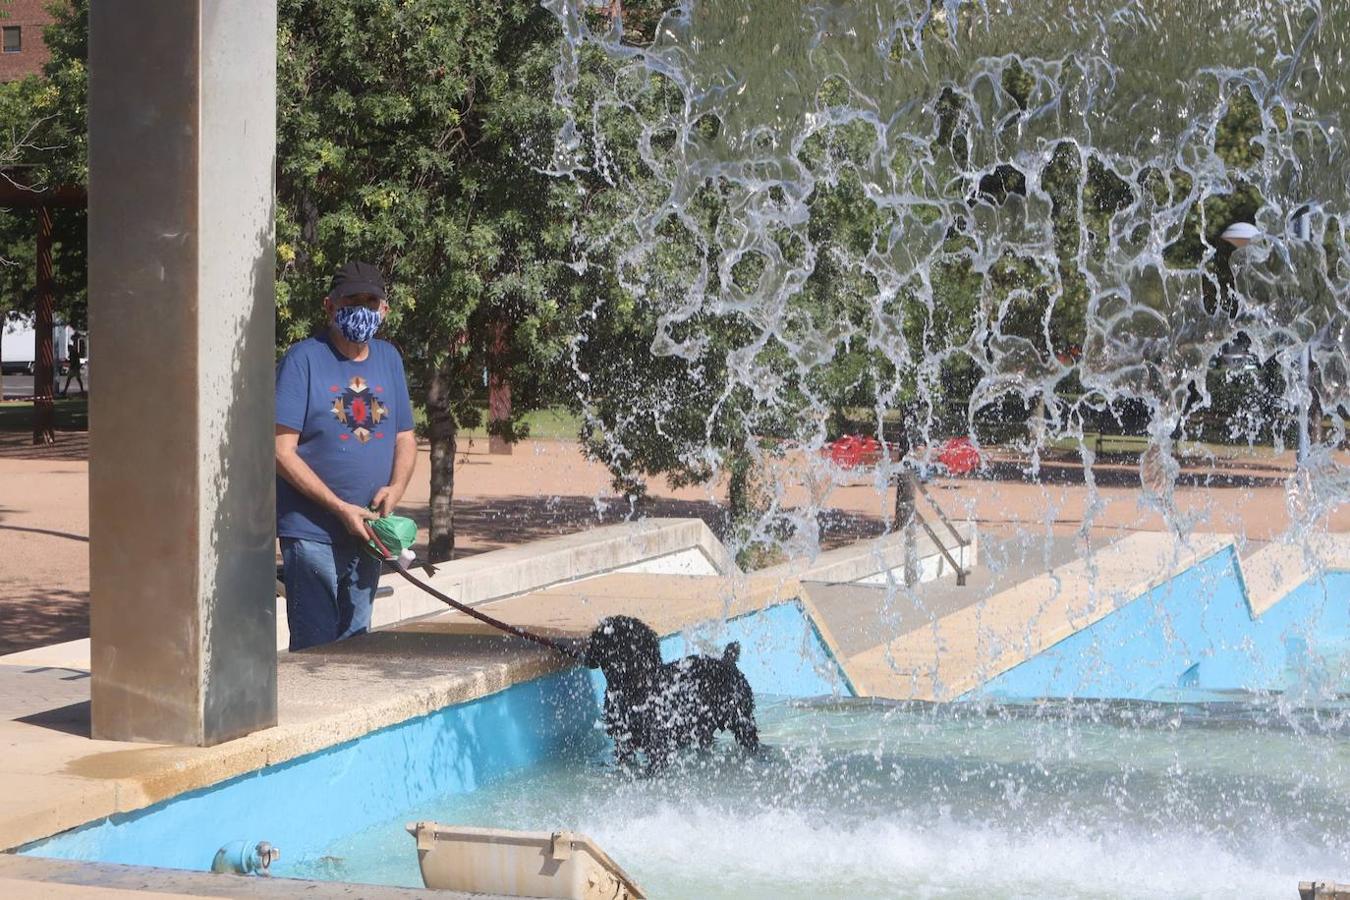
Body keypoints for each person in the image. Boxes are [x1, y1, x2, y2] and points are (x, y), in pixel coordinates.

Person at [274, 261, 416, 651]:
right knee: (317, 648)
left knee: (358, 645)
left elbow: (405, 438)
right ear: (330, 306)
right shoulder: (302, 360)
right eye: (351, 300)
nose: (361, 308)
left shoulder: (390, 360)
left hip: (368, 531)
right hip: (311, 534)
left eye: (370, 300)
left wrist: (396, 488)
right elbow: (279, 451)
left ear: (384, 309)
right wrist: (339, 507)